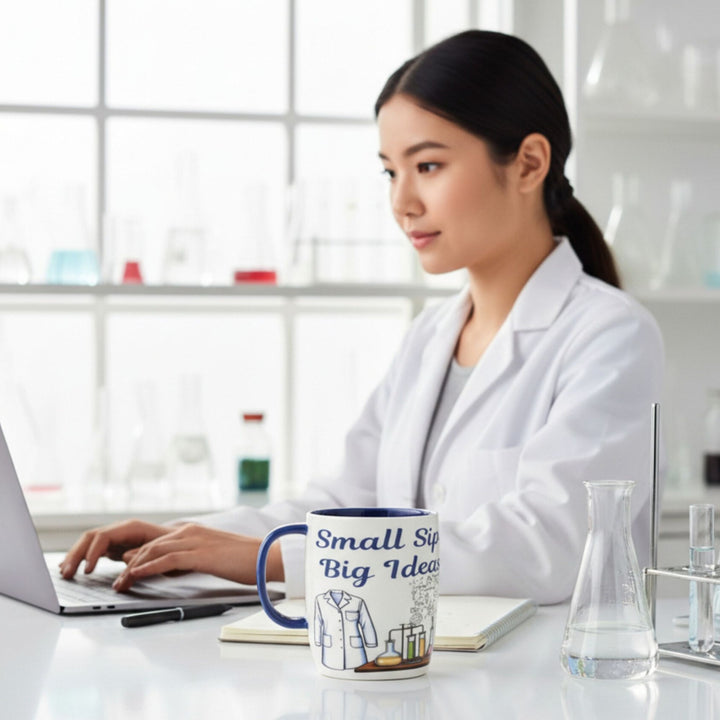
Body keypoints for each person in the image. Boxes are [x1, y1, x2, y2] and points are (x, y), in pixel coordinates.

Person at [60, 30, 663, 604]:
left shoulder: (610, 335)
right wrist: (185, 538)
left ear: (529, 164)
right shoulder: (431, 338)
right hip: (413, 671)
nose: (401, 203)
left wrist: (276, 560)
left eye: (427, 166)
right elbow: (344, 501)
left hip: (544, 688)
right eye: (390, 171)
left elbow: (548, 545)